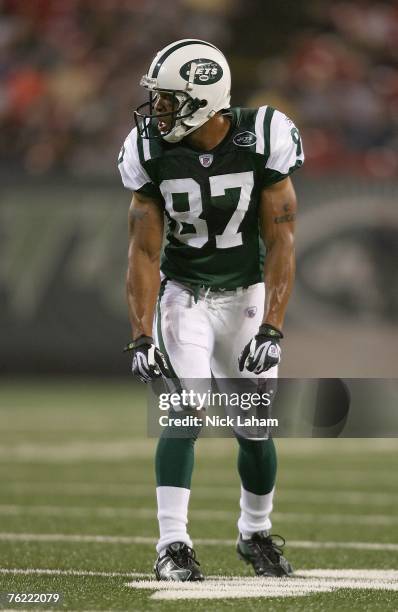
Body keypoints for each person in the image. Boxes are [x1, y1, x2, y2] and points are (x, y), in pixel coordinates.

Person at [118, 39, 304, 582]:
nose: (157, 110)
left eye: (170, 99)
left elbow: (282, 238)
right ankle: (172, 545)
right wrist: (139, 333)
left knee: (255, 428)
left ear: (203, 99)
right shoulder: (149, 148)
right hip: (186, 296)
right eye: (157, 99)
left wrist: (273, 324)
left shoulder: (263, 136)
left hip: (246, 293)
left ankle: (255, 533)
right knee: (183, 414)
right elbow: (145, 250)